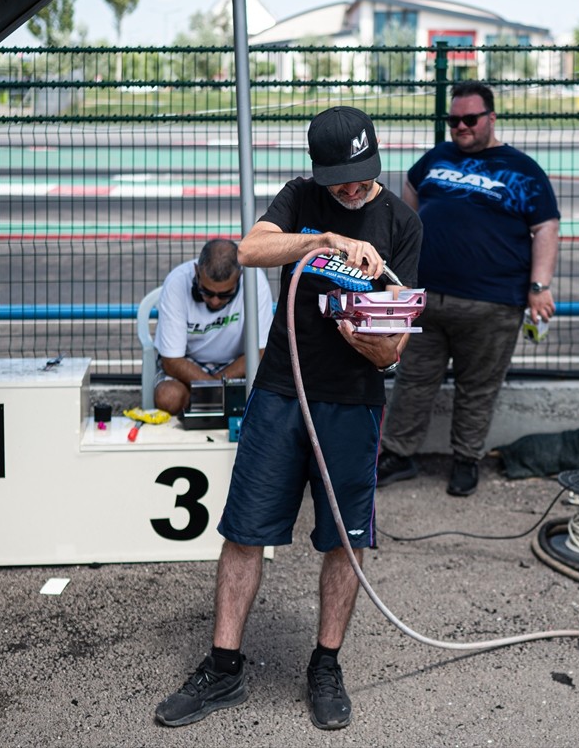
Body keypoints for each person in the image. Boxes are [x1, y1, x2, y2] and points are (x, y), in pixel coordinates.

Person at [154, 106, 422, 731]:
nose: (352, 191)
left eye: (361, 178)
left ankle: (325, 664)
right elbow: (249, 249)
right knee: (245, 528)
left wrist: (368, 338)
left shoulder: (402, 222)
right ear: (317, 171)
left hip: (354, 398)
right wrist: (323, 240)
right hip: (281, 390)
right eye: (340, 181)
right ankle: (223, 665)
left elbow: (396, 343)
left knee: (345, 540)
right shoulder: (302, 198)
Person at [376, 81, 560, 497]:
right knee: (412, 381)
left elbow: (546, 227)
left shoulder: (523, 170)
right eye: (453, 119)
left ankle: (466, 459)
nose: (460, 126)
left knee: (478, 387)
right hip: (425, 299)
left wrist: (539, 286)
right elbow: (409, 201)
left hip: (493, 304)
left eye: (470, 119)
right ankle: (398, 455)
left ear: (491, 118)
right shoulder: (436, 158)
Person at [151, 238, 273, 415]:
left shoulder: (255, 281)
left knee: (270, 401)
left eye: (225, 295)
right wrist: (216, 389)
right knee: (168, 397)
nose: (215, 301)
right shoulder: (177, 282)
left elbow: (260, 352)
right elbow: (171, 360)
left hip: (238, 363)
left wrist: (214, 388)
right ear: (196, 272)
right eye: (206, 292)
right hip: (189, 363)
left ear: (240, 277)